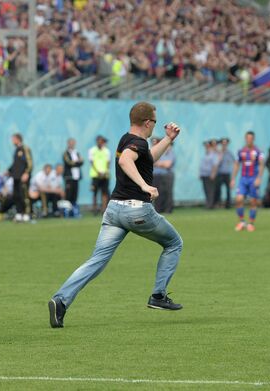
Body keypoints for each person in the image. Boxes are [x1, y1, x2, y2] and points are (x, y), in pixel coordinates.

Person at [48, 101, 184, 328]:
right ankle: (158, 296)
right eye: (155, 123)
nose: (155, 127)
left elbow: (145, 157)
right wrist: (145, 186)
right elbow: (125, 160)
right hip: (136, 210)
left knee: (96, 261)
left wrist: (168, 139)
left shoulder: (126, 139)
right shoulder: (137, 144)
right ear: (148, 122)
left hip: (113, 211)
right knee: (174, 243)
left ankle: (60, 300)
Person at [230, 131, 264, 232]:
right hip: (243, 179)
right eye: (247, 138)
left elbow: (262, 164)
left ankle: (251, 223)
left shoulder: (258, 151)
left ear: (253, 139)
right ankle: (241, 222)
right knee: (239, 199)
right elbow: (237, 164)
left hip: (253, 179)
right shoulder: (241, 151)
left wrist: (259, 178)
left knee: (253, 201)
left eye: (251, 138)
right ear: (245, 139)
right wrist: (233, 179)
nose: (249, 140)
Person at [8, 133, 33, 222]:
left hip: (23, 177)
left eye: (13, 139)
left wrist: (26, 173)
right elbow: (16, 164)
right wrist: (9, 171)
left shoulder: (25, 149)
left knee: (24, 196)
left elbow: (29, 162)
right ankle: (19, 213)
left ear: (18, 139)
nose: (12, 141)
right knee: (16, 196)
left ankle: (27, 213)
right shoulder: (16, 150)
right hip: (16, 177)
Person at [152, 137, 175, 214]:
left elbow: (168, 164)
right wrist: (161, 164)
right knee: (158, 193)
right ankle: (158, 209)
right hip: (156, 175)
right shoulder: (156, 152)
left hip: (167, 175)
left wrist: (158, 164)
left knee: (168, 192)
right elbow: (152, 162)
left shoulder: (170, 153)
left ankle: (168, 209)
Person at [89, 135, 110, 215]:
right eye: (100, 141)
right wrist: (98, 172)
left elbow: (108, 163)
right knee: (95, 192)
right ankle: (94, 209)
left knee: (104, 193)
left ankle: (103, 210)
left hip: (105, 175)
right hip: (95, 175)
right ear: (97, 141)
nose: (102, 142)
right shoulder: (92, 150)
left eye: (103, 141)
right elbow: (92, 162)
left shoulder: (106, 151)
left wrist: (105, 172)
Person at [62, 138, 84, 217]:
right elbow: (68, 162)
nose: (72, 144)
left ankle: (74, 212)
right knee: (68, 195)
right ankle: (66, 212)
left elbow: (82, 161)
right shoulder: (66, 153)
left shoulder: (77, 152)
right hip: (69, 177)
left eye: (73, 143)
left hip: (76, 177)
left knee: (75, 195)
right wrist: (78, 162)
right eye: (70, 143)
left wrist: (77, 162)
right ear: (68, 144)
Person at [214, 138, 234, 209]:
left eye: (225, 144)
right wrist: (220, 156)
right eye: (223, 143)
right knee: (218, 189)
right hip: (220, 173)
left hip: (227, 173)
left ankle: (228, 204)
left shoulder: (229, 153)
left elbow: (234, 162)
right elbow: (216, 163)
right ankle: (218, 203)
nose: (224, 145)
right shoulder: (218, 153)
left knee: (228, 190)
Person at [199, 140, 219, 209]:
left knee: (210, 190)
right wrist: (200, 173)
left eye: (207, 146)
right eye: (205, 146)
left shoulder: (213, 154)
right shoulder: (205, 154)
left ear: (210, 146)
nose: (206, 147)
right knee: (206, 190)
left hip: (210, 175)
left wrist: (213, 174)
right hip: (204, 175)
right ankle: (208, 203)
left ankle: (210, 205)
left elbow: (215, 165)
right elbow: (202, 165)